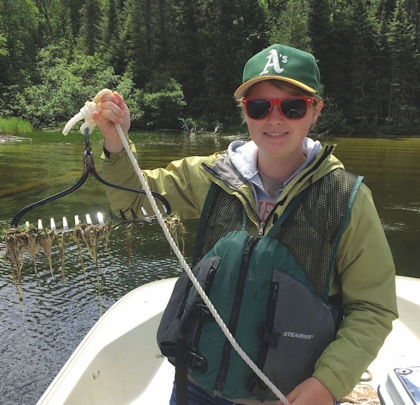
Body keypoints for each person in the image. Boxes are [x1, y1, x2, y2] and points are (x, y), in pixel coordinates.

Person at [93, 44, 398, 405]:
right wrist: (116, 142)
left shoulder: (347, 199)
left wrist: (328, 384)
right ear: (245, 112)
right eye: (259, 106)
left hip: (289, 394)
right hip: (197, 385)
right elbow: (132, 201)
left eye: (292, 106)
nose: (274, 119)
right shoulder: (210, 176)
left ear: (315, 111)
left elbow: (373, 308)